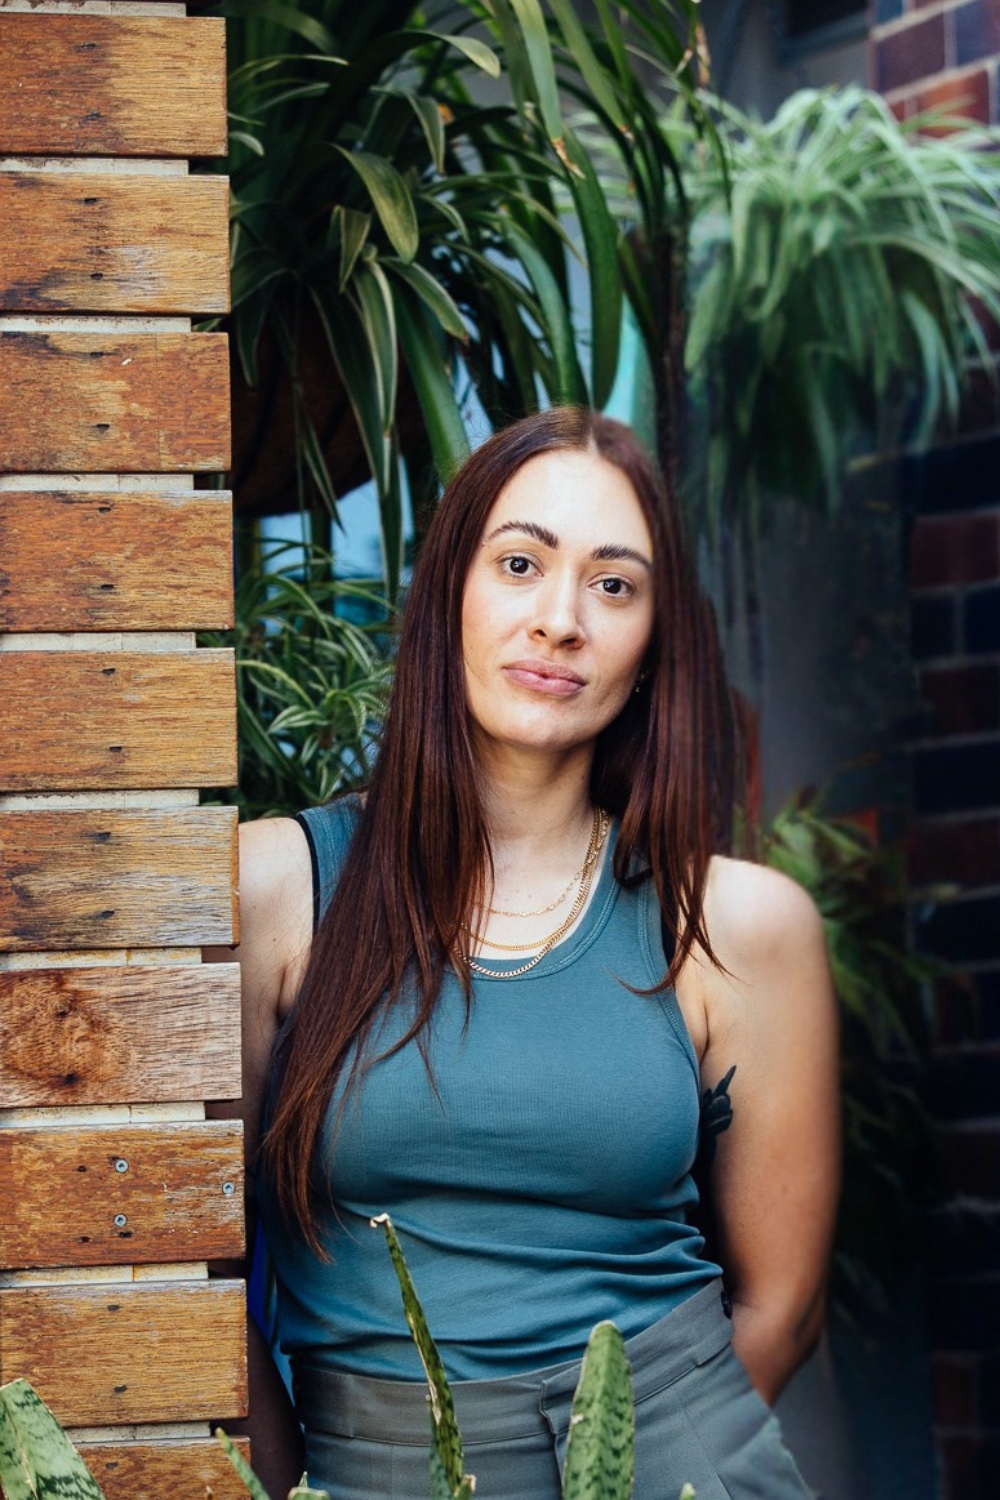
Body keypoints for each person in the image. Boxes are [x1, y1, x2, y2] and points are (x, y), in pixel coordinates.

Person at [210, 407, 840, 1500]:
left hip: (668, 1458)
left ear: (653, 648)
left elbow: (781, 1307)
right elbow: (202, 1278)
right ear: (448, 594)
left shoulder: (736, 926)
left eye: (614, 585)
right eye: (519, 564)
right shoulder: (274, 890)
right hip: (370, 1468)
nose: (560, 621)